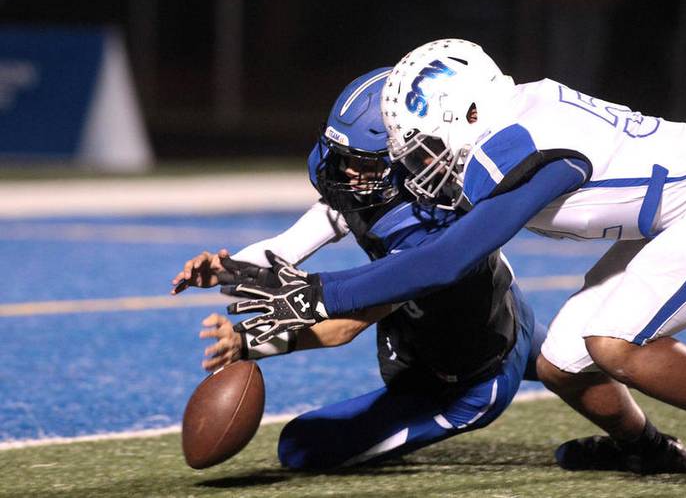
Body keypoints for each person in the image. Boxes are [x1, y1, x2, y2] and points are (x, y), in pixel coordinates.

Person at [224, 41, 686, 494]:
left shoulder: (525, 146)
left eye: (423, 149)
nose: (419, 165)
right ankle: (644, 448)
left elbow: (446, 260)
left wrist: (322, 292)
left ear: (468, 113)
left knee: (612, 343)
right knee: (561, 364)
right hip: (681, 215)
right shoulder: (508, 115)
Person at [173, 68, 561, 469]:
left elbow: (346, 325)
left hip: (470, 383)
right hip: (500, 311)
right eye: (342, 158)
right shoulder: (382, 193)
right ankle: (625, 426)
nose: (347, 173)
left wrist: (249, 343)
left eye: (364, 164)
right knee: (571, 361)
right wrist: (227, 270)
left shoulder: (422, 232)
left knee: (300, 448)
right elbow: (287, 246)